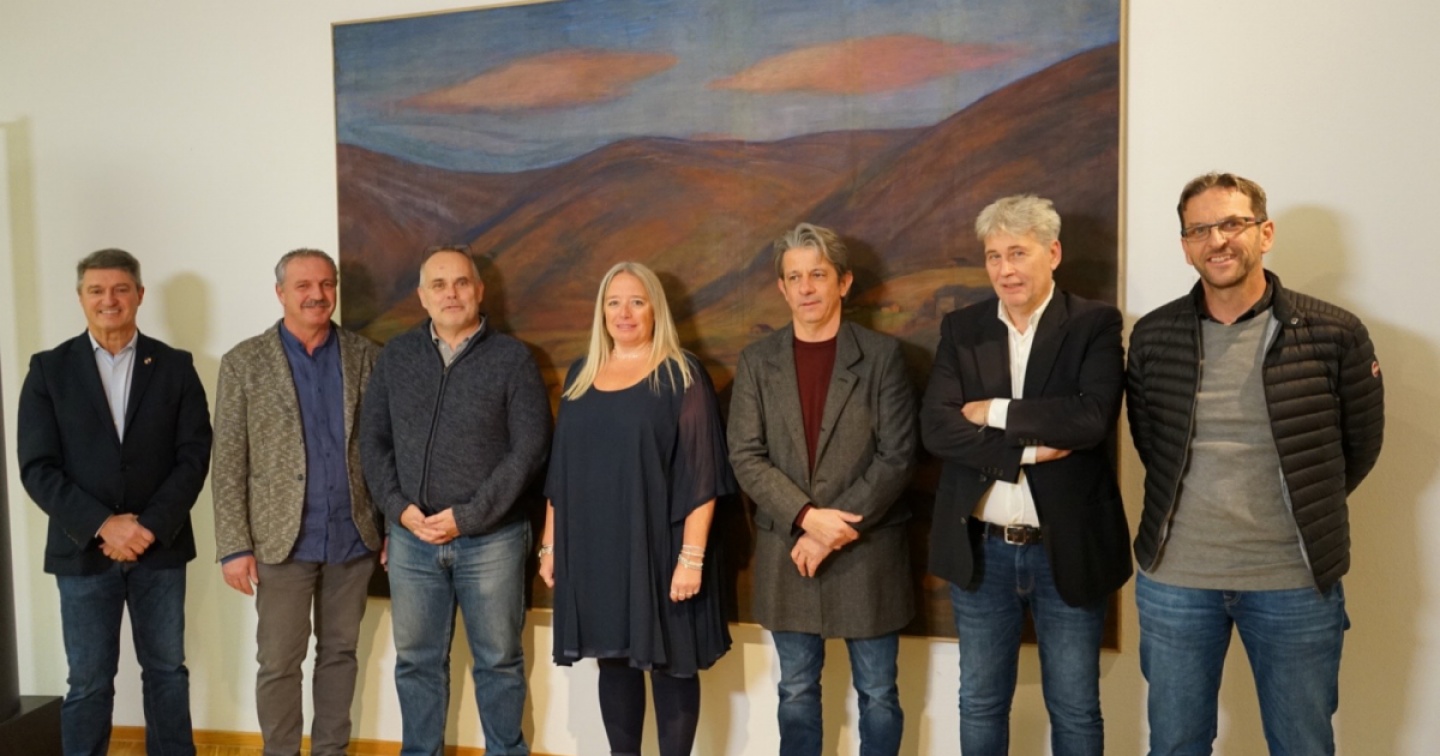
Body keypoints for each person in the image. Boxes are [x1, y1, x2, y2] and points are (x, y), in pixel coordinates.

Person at [1127, 172, 1385, 755]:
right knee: (1175, 744)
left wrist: (1307, 501)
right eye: (1199, 230)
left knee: (1301, 745)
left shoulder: (1334, 333)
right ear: (1185, 246)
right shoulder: (1153, 336)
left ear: (1264, 233)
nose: (1217, 240)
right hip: (1177, 579)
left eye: (1232, 223)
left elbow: (1360, 446)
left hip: (1293, 580)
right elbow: (1153, 443)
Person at [921, 195, 1131, 755]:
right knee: (980, 703)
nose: (1005, 269)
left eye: (1018, 253)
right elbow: (937, 429)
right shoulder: (962, 328)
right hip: (982, 551)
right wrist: (1030, 454)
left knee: (1075, 708)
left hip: (1067, 548)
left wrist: (991, 410)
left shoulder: (1093, 323)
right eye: (994, 256)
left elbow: (1089, 419)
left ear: (1053, 253)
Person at [728, 223, 917, 756]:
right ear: (782, 288)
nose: (806, 287)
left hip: (866, 551)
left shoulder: (882, 357)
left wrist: (831, 531)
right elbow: (745, 455)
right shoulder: (757, 362)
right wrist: (807, 519)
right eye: (794, 277)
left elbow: (897, 456)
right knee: (794, 692)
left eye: (817, 274)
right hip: (789, 551)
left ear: (844, 282)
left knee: (879, 695)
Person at [17, 248, 212, 756]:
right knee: (88, 681)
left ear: (139, 295)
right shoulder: (49, 370)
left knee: (167, 672)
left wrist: (147, 527)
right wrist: (105, 525)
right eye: (97, 290)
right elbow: (37, 468)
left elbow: (194, 456)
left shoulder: (175, 367)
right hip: (83, 551)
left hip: (159, 548)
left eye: (121, 289)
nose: (110, 300)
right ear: (80, 297)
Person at [359, 245, 550, 756]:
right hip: (412, 539)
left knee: (499, 662)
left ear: (479, 291)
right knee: (416, 663)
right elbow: (372, 441)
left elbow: (530, 449)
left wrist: (468, 517)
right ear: (422, 296)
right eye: (438, 285)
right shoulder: (397, 356)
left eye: (461, 282)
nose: (451, 293)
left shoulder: (512, 359)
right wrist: (399, 509)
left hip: (492, 539)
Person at [538, 261, 735, 756]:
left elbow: (703, 474)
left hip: (663, 548)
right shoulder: (581, 374)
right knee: (614, 662)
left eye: (636, 302)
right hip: (597, 549)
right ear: (601, 311)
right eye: (613, 303)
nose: (624, 313)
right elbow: (561, 471)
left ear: (655, 310)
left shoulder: (682, 373)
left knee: (672, 665)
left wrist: (691, 558)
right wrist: (550, 545)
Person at [211, 248, 382, 756]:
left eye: (326, 284)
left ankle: (332, 750)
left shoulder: (366, 356)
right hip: (280, 541)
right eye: (304, 285)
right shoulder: (244, 362)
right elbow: (228, 460)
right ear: (280, 292)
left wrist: (390, 527)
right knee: (279, 663)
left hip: (352, 537)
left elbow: (383, 449)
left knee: (340, 655)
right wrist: (234, 545)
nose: (317, 295)